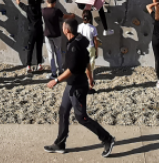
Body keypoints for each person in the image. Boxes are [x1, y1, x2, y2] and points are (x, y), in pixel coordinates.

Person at [43, 18, 115, 157]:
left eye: (63, 26)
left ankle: (108, 139)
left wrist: (56, 80)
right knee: (63, 112)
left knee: (81, 117)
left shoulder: (74, 47)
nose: (62, 28)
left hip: (77, 87)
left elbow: (71, 69)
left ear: (67, 30)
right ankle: (59, 144)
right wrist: (90, 78)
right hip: (71, 85)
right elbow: (87, 61)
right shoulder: (80, 39)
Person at [13, 0, 45, 73]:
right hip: (40, 29)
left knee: (30, 49)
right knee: (39, 47)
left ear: (28, 3)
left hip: (32, 31)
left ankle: (28, 66)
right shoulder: (38, 4)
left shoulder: (27, 8)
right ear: (34, 1)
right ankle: (39, 65)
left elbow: (18, 3)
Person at [42, 0, 67, 80]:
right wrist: (71, 16)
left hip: (47, 35)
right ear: (55, 3)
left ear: (47, 1)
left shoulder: (43, 11)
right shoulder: (57, 11)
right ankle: (60, 71)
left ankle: (53, 73)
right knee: (58, 52)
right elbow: (64, 17)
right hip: (57, 34)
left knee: (50, 54)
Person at [76, 10, 99, 90]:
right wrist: (96, 51)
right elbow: (95, 41)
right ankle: (90, 83)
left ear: (82, 17)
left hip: (82, 48)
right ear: (90, 19)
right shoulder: (93, 28)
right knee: (90, 68)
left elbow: (78, 38)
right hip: (90, 48)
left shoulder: (80, 26)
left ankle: (86, 82)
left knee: (84, 67)